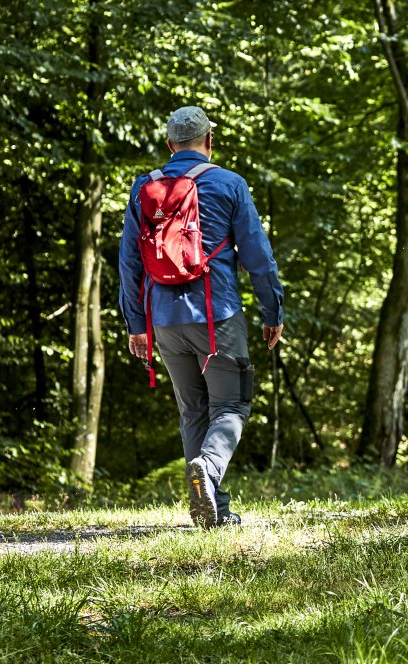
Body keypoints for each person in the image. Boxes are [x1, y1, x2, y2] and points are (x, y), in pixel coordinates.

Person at [118, 106, 284, 528]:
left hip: (165, 320)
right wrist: (272, 311)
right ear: (209, 142)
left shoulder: (144, 188)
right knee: (230, 404)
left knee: (193, 410)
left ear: (170, 145)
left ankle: (214, 512)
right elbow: (257, 256)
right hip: (217, 315)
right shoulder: (229, 183)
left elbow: (129, 264)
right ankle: (208, 470)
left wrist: (137, 324)